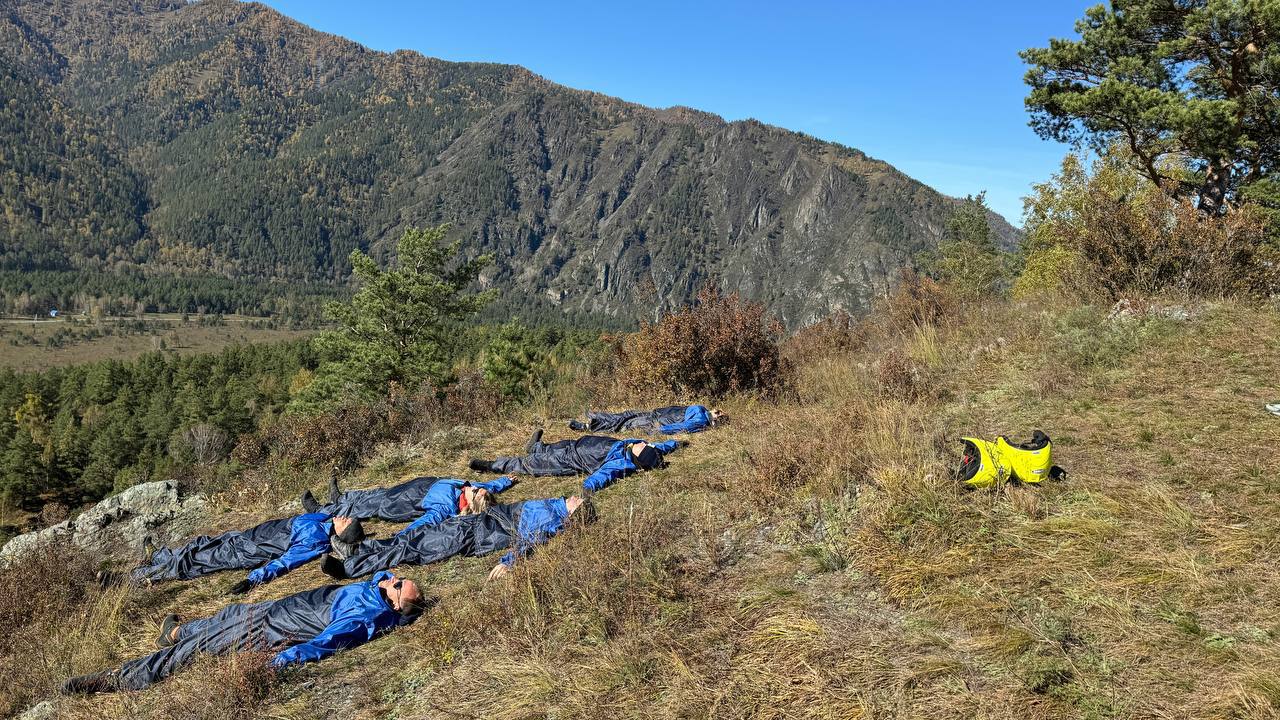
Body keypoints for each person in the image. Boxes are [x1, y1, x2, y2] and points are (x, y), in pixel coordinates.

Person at [60, 571, 425, 694]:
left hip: (266, 631)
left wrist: (277, 663)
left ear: (394, 604)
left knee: (191, 653)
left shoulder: (365, 618)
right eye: (399, 578)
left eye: (398, 585)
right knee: (222, 616)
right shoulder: (380, 589)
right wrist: (387, 581)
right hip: (267, 611)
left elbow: (324, 644)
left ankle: (116, 680)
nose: (394, 579)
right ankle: (173, 631)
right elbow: (382, 579)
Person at [319, 495, 597, 581]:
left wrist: (509, 562)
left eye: (579, 502)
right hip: (472, 523)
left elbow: (530, 541)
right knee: (410, 537)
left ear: (575, 515)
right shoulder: (554, 505)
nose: (575, 497)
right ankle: (357, 549)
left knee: (408, 550)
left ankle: (348, 568)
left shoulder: (551, 519)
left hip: (471, 535)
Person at [128, 512, 365, 594]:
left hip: (248, 551)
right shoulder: (322, 519)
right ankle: (158, 556)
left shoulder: (316, 541)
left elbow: (286, 562)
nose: (344, 518)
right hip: (247, 536)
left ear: (341, 534)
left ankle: (134, 578)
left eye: (347, 523)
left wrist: (253, 579)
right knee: (199, 544)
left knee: (195, 561)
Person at [469, 432, 683, 492]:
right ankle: (536, 447)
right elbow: (660, 446)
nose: (644, 443)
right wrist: (676, 443)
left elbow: (600, 477)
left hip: (569, 461)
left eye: (643, 446)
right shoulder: (634, 446)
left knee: (527, 465)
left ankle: (490, 465)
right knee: (547, 449)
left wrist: (585, 489)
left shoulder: (618, 463)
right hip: (578, 444)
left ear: (638, 458)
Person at [302, 474, 513, 528]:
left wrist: (401, 536)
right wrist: (504, 481)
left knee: (365, 506)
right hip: (407, 488)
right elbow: (488, 486)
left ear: (472, 503)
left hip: (399, 504)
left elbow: (424, 523)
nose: (476, 488)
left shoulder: (446, 507)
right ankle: (340, 498)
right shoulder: (466, 488)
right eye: (479, 488)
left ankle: (321, 511)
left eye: (477, 492)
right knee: (370, 494)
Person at [568, 405, 726, 435]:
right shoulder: (702, 409)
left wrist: (659, 430)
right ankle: (594, 416)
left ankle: (588, 427)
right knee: (625, 415)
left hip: (657, 423)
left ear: (717, 420)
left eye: (720, 415)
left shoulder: (701, 421)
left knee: (624, 425)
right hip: (656, 414)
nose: (717, 412)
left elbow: (682, 427)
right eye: (718, 411)